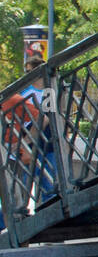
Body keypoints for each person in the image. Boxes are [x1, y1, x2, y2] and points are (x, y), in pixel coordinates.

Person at [1, 58, 58, 230]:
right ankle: (22, 226)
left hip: (47, 144)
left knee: (49, 187)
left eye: (29, 71)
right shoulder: (25, 91)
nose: (26, 75)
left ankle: (49, 223)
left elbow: (52, 117)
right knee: (22, 188)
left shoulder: (50, 91)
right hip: (29, 147)